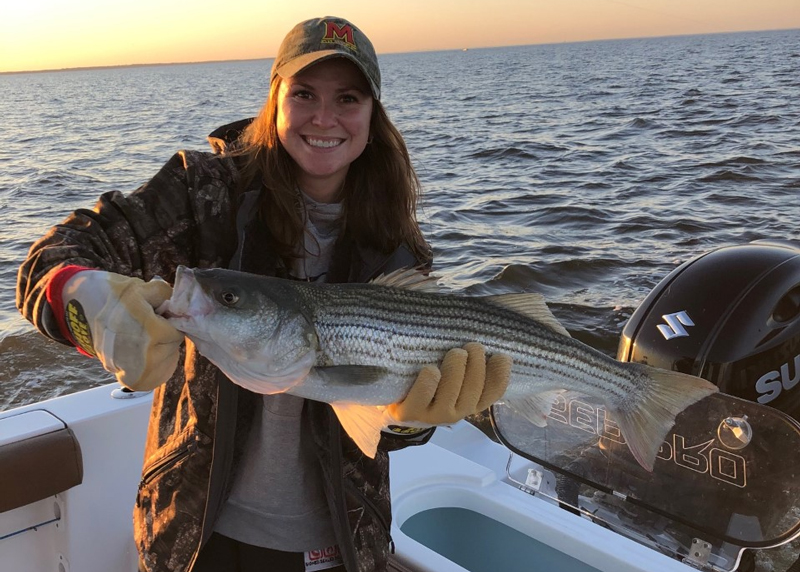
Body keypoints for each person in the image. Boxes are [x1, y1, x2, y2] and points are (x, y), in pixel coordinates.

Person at [16, 16, 512, 572]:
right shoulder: (202, 195)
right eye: (303, 93)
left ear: (373, 119)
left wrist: (412, 419)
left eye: (347, 98)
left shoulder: (395, 245)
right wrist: (91, 305)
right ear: (274, 101)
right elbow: (49, 258)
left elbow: (383, 429)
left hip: (341, 539)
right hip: (192, 532)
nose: (324, 117)